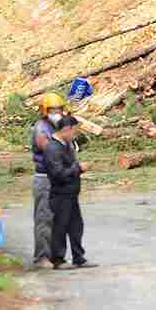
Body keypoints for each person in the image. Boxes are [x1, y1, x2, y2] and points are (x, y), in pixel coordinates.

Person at [44, 114, 94, 270]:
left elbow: (69, 166)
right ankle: (58, 259)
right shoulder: (53, 148)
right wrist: (78, 169)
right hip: (60, 194)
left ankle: (79, 257)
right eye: (74, 132)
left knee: (76, 226)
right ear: (66, 129)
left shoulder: (67, 145)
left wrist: (77, 168)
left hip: (71, 194)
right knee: (60, 227)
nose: (75, 135)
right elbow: (57, 173)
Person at [29, 93, 67, 269]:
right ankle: (42, 257)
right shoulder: (41, 128)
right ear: (45, 111)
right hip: (45, 179)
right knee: (44, 219)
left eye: (59, 109)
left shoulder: (59, 127)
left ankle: (57, 257)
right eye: (52, 110)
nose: (56, 112)